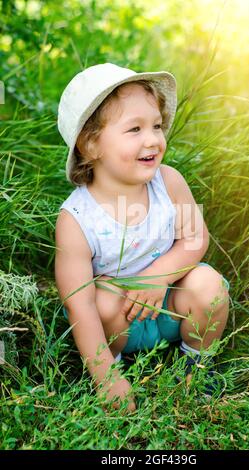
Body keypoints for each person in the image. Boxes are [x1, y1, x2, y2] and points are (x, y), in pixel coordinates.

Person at [55, 62, 230, 412]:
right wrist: (105, 377)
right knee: (100, 299)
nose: (153, 139)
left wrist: (158, 275)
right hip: (121, 322)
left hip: (172, 309)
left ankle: (195, 364)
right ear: (91, 145)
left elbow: (196, 239)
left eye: (156, 126)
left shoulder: (168, 181)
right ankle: (116, 372)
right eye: (134, 129)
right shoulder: (76, 219)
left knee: (209, 285)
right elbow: (79, 303)